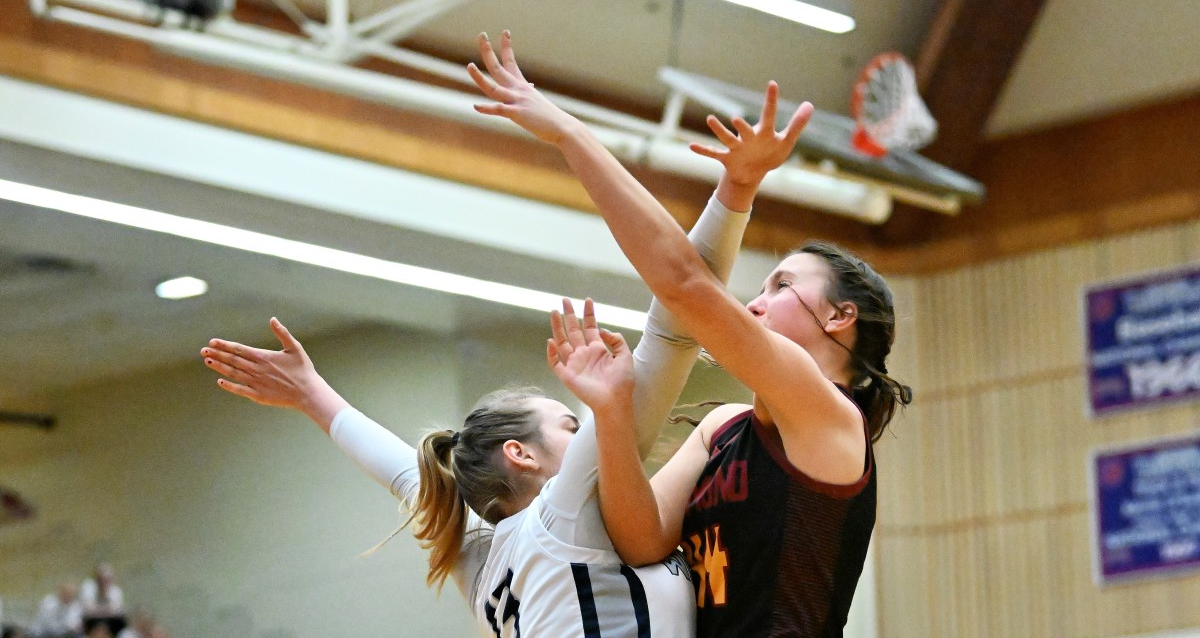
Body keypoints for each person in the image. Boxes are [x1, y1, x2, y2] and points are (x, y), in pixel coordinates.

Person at [200, 104, 805, 638]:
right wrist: (734, 191)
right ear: (521, 455)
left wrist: (314, 396)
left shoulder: (483, 557)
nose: (589, 426)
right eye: (572, 424)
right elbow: (677, 318)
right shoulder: (562, 511)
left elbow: (400, 472)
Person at [469, 30, 912, 636]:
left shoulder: (829, 420)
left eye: (781, 287)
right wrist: (613, 410)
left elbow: (683, 284)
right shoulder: (723, 427)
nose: (756, 303)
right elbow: (643, 539)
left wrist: (570, 135)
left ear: (840, 318)